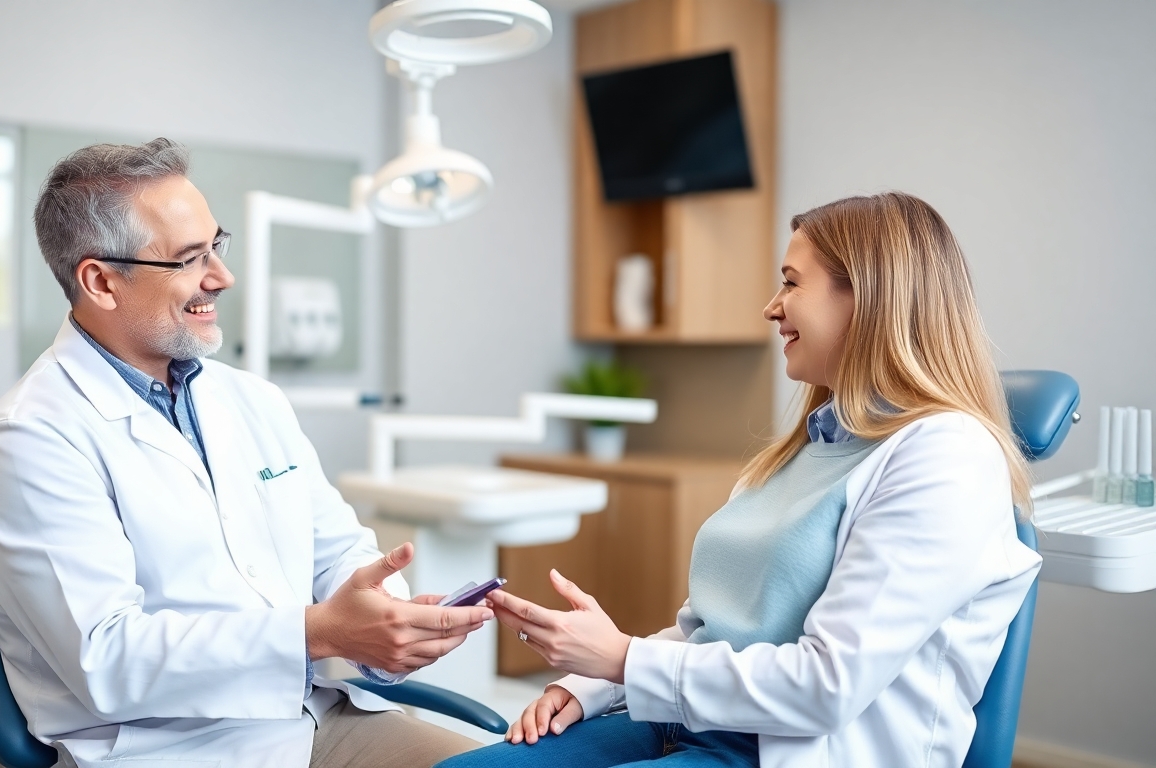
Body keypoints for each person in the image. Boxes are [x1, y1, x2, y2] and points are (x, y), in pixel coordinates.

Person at [438, 192, 1042, 768]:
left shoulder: (948, 457)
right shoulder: (807, 448)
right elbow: (709, 634)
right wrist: (592, 682)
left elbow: (826, 686)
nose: (771, 306)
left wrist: (623, 659)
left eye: (790, 281)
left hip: (783, 752)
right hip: (681, 718)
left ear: (865, 296)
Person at [0, 138, 491, 768]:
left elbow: (337, 549)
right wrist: (317, 632)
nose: (222, 276)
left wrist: (385, 616)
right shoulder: (29, 439)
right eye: (189, 258)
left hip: (324, 718)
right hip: (179, 749)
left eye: (217, 245)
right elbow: (108, 659)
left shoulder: (251, 400)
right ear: (100, 282)